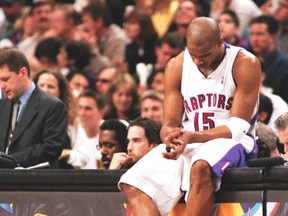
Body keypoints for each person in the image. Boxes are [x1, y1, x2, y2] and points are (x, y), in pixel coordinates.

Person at [118, 17, 261, 215]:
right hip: (190, 141)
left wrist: (192, 137)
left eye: (204, 55)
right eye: (193, 54)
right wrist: (172, 138)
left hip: (231, 142)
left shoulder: (244, 63)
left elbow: (238, 128)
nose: (197, 60)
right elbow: (168, 124)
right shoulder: (177, 65)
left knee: (200, 167)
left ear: (220, 41)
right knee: (132, 182)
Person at [0, 48, 67, 168]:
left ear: (23, 73)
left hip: (35, 182)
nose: (2, 86)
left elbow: (51, 148)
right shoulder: (2, 105)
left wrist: (9, 161)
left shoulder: (52, 106)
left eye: (5, 79)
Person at [62, 90, 106, 169]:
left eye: (88, 108)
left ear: (101, 113)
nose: (82, 113)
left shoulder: (108, 131)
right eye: (79, 107)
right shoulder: (72, 129)